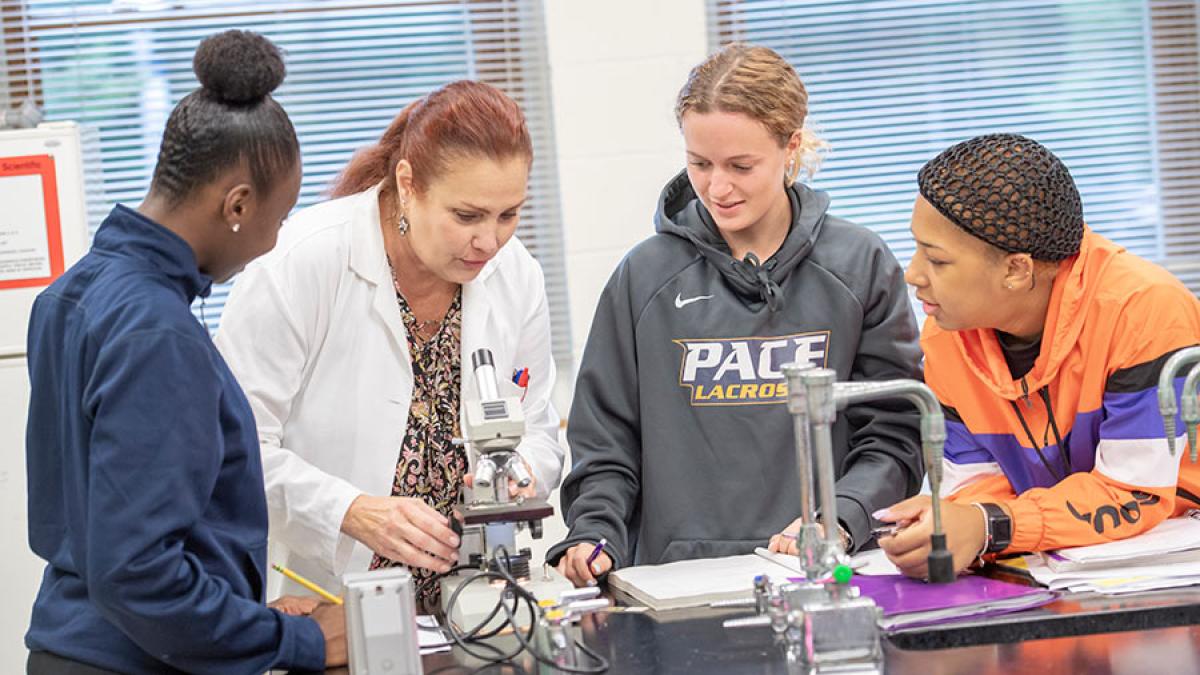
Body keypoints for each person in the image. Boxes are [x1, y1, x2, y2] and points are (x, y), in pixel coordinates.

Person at [24, 31, 344, 674]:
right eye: (278, 221)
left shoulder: (72, 294)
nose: (272, 242)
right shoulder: (157, 333)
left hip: (75, 645)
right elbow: (137, 571)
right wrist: (298, 643)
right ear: (237, 205)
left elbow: (103, 530)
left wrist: (245, 616)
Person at [548, 43, 924, 587]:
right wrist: (593, 533)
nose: (717, 188)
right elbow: (605, 443)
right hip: (676, 584)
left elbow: (893, 434)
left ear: (790, 147)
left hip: (822, 573)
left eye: (740, 166)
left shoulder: (860, 265)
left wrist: (841, 515)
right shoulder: (645, 276)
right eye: (699, 164)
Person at [214, 80, 564, 612]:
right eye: (467, 216)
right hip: (332, 596)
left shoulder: (516, 275)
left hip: (479, 598)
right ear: (408, 183)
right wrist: (351, 510)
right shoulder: (301, 261)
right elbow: (233, 452)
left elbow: (538, 427)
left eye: (508, 215)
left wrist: (521, 476)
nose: (490, 242)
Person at [877, 133, 1200, 578]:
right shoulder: (945, 335)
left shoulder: (1144, 310)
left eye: (937, 260)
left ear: (1016, 269)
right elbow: (978, 491)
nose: (913, 274)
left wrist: (988, 525)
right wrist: (954, 524)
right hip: (1054, 572)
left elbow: (1134, 495)